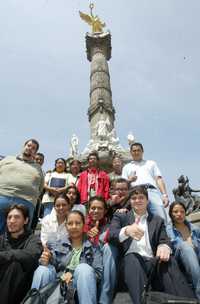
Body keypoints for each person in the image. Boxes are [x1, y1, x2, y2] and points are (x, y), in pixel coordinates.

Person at [109, 186, 195, 304]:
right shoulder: (121, 217)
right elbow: (111, 235)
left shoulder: (157, 220)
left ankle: (187, 300)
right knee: (132, 257)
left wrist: (164, 246)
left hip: (153, 261)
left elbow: (164, 239)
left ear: (147, 201)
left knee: (168, 261)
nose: (137, 200)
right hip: (131, 264)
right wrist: (126, 231)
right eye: (134, 198)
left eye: (141, 197)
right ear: (130, 201)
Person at [32, 210, 103, 304]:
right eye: (70, 223)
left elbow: (98, 273)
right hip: (57, 286)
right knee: (42, 270)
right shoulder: (57, 243)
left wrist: (73, 275)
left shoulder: (93, 246)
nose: (74, 227)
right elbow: (52, 263)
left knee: (84, 268)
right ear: (66, 226)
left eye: (78, 223)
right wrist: (45, 260)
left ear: (84, 225)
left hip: (81, 287)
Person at [122, 142, 171, 233]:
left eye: (138, 150)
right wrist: (129, 180)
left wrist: (164, 195)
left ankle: (169, 243)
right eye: (134, 151)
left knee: (162, 217)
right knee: (139, 221)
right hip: (136, 193)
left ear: (142, 151)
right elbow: (123, 184)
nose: (136, 152)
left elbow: (159, 179)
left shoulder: (151, 163)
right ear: (131, 152)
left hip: (151, 191)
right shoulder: (126, 167)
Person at [0, 204, 42, 304]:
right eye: (9, 217)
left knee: (15, 265)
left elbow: (30, 257)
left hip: (21, 289)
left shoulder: (33, 239)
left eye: (17, 217)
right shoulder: (1, 239)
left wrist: (3, 256)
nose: (12, 221)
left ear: (26, 221)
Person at [0, 139, 44, 233]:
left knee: (20, 235)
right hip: (2, 196)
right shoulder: (7, 159)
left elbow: (40, 187)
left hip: (26, 201)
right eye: (28, 145)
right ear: (24, 146)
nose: (30, 148)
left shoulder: (38, 168)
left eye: (33, 148)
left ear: (35, 153)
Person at [84, 196, 118, 304]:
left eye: (99, 208)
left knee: (110, 248)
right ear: (88, 209)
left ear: (105, 210)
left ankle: (104, 300)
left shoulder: (111, 226)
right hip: (86, 265)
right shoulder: (81, 225)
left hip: (104, 265)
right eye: (93, 208)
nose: (96, 211)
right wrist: (87, 238)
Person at [169, 201, 200, 299]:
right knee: (186, 247)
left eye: (182, 212)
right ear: (170, 214)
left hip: (196, 259)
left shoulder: (195, 228)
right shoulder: (167, 230)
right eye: (175, 212)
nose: (179, 214)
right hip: (179, 262)